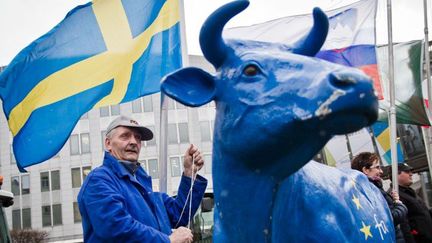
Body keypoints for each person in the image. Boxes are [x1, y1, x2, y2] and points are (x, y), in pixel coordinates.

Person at [78, 116, 208, 243]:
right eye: (125, 136)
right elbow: (115, 227)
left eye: (138, 138)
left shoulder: (144, 184)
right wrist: (167, 240)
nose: (134, 142)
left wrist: (189, 174)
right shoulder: (99, 180)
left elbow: (179, 216)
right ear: (108, 143)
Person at [351, 152, 409, 243]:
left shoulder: (363, 191)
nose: (381, 171)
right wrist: (398, 204)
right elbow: (390, 218)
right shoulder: (371, 192)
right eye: (377, 167)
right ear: (365, 170)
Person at [396, 163, 432, 243]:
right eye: (407, 171)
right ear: (397, 174)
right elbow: (403, 226)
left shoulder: (410, 192)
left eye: (410, 171)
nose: (411, 174)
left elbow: (422, 213)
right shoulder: (395, 196)